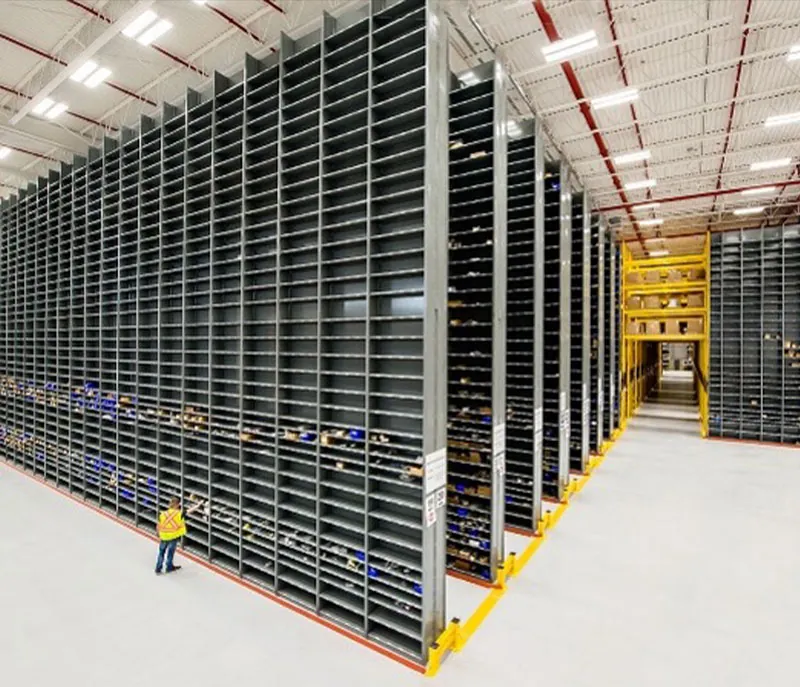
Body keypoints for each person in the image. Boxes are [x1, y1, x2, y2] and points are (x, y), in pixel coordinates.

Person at [155, 496, 198, 575]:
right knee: (170, 553)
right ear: (177, 505)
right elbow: (189, 511)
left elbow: (158, 524)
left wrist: (158, 533)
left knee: (161, 552)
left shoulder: (163, 513)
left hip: (163, 536)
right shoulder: (179, 513)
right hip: (173, 536)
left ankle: (158, 568)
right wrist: (199, 505)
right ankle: (169, 567)